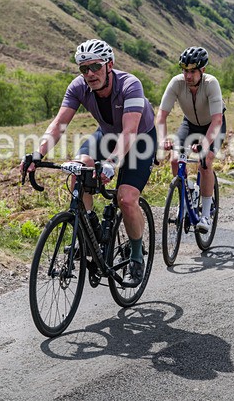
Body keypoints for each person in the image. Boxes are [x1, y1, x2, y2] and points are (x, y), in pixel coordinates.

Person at [20, 39, 156, 284]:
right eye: (84, 69)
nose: (90, 74)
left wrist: (112, 163)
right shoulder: (78, 87)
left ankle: (136, 254)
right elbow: (59, 124)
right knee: (78, 169)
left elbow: (130, 131)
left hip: (139, 139)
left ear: (109, 65)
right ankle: (90, 225)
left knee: (125, 198)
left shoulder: (130, 85)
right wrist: (38, 153)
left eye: (95, 66)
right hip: (105, 134)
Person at [155, 46, 226, 233]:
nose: (188, 76)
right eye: (185, 70)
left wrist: (205, 143)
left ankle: (205, 215)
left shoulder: (211, 83)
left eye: (192, 71)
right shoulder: (176, 83)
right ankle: (185, 197)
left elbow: (217, 119)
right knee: (175, 159)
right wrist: (163, 139)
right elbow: (161, 115)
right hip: (190, 124)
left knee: (205, 162)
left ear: (202, 70)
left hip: (213, 125)